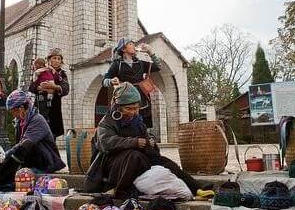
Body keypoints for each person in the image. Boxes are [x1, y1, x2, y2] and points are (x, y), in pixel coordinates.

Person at [84, 82, 212, 200]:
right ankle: (115, 190)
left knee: (165, 162)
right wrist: (133, 142)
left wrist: (150, 143)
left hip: (137, 161)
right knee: (134, 156)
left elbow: (147, 142)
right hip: (111, 165)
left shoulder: (138, 123)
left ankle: (196, 188)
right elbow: (107, 143)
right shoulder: (106, 123)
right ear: (118, 107)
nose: (133, 112)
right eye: (129, 109)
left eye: (136, 108)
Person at [103, 38, 161, 128]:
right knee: (126, 123)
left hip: (141, 98)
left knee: (142, 124)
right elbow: (105, 80)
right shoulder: (117, 64)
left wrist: (150, 52)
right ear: (123, 49)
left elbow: (157, 67)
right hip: (125, 97)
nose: (134, 45)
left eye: (134, 44)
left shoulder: (140, 63)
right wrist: (110, 81)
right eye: (130, 44)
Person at [28, 48, 69, 139]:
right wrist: (40, 88)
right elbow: (31, 86)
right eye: (54, 58)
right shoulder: (41, 70)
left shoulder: (62, 74)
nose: (57, 61)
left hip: (54, 106)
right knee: (38, 131)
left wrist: (54, 87)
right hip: (40, 105)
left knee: (51, 134)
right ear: (49, 59)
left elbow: (66, 89)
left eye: (59, 59)